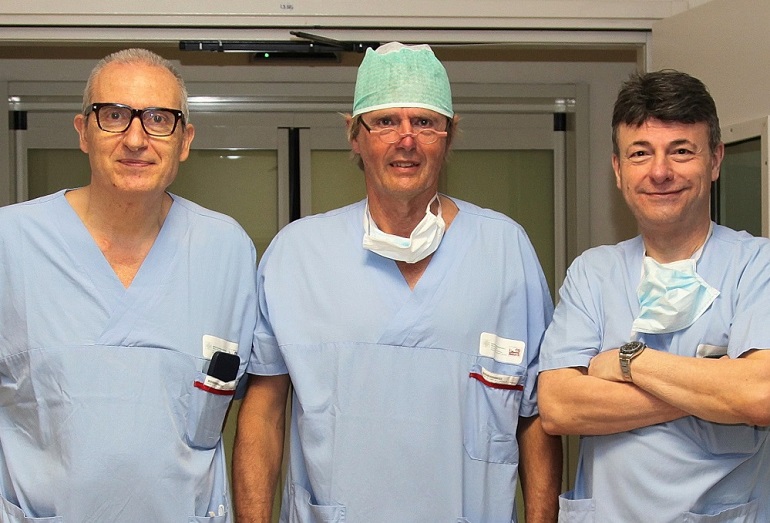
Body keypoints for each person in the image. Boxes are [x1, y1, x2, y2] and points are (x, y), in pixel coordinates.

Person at [233, 42, 562, 522]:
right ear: (355, 136)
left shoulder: (505, 251)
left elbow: (535, 416)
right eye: (385, 121)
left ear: (448, 137)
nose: (406, 139)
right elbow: (262, 414)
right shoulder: (297, 256)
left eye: (425, 122)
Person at [0, 48, 257, 522]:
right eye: (114, 116)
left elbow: (254, 405)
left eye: (159, 119)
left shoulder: (227, 252)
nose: (136, 139)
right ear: (83, 132)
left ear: (185, 140)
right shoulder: (10, 245)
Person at [538, 70, 770, 522]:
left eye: (681, 151)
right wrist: (713, 387)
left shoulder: (756, 265)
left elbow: (760, 394)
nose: (660, 172)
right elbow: (559, 405)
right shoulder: (594, 272)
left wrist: (628, 363)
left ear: (716, 160)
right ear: (618, 170)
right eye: (640, 153)